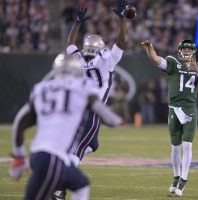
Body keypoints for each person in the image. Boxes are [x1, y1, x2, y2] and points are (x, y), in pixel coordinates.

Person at [8, 54, 124, 200]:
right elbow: (103, 112)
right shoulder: (83, 86)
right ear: (77, 71)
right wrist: (115, 120)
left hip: (38, 154)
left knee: (81, 184)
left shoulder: (41, 88)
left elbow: (19, 122)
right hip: (53, 157)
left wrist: (19, 155)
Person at [141, 39, 198, 197]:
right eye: (184, 49)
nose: (186, 51)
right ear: (180, 51)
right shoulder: (173, 62)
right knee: (175, 145)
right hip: (174, 108)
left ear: (193, 52)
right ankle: (176, 176)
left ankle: (183, 180)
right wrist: (149, 48)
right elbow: (155, 59)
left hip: (190, 109)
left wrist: (197, 71)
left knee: (187, 145)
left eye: (188, 49)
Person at [66, 0, 127, 167]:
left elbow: (70, 44)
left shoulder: (78, 57)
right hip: (93, 109)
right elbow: (121, 43)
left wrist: (77, 23)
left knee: (91, 145)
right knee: (77, 150)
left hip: (77, 106)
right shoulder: (105, 60)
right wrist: (122, 19)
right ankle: (61, 185)